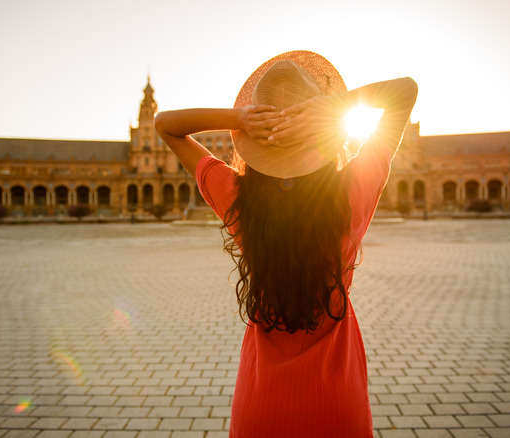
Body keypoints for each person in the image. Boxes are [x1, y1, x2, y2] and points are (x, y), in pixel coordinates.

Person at [154, 51, 417, 437]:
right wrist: (331, 107)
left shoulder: (237, 199)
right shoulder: (352, 194)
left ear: (253, 144)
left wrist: (239, 118)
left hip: (261, 407)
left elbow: (166, 125)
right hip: (336, 406)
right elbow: (405, 91)